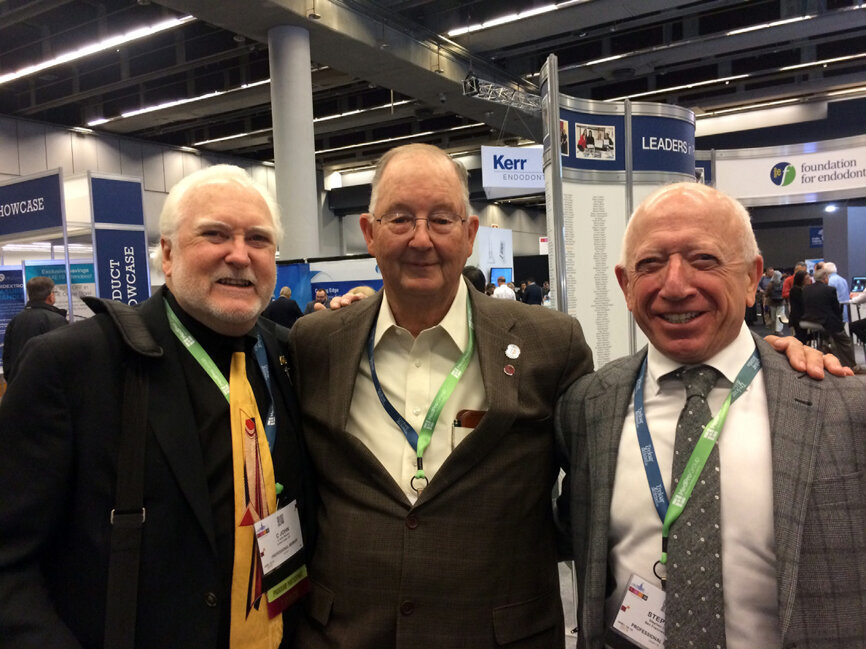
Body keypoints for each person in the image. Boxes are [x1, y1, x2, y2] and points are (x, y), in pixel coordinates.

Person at [289, 143, 595, 649]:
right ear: (369, 233)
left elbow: (593, 477)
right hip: (344, 632)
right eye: (401, 219)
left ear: (471, 235)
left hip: (498, 634)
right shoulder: (316, 342)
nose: (421, 239)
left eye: (442, 220)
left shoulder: (550, 343)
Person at [0, 165, 316, 649]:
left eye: (258, 239)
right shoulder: (76, 365)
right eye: (215, 234)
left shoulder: (286, 357)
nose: (239, 254)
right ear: (167, 254)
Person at [556, 182, 864, 649]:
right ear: (625, 285)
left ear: (749, 277)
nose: (675, 286)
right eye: (651, 264)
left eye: (703, 260)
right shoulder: (587, 407)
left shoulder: (845, 407)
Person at [1, 275, 67, 384]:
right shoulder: (56, 320)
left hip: (19, 387)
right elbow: (63, 357)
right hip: (47, 388)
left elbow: (7, 357)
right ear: (50, 296)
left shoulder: (15, 320)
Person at [802, 266, 857, 368]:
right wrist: (840, 321)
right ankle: (851, 365)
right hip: (825, 321)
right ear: (825, 278)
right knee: (844, 340)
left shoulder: (806, 289)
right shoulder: (829, 290)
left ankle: (827, 353)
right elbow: (835, 309)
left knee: (828, 335)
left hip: (808, 320)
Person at [788, 268, 808, 342]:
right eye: (807, 278)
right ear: (801, 280)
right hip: (797, 318)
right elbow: (802, 304)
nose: (809, 280)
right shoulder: (795, 290)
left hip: (801, 317)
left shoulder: (803, 289)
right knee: (800, 338)